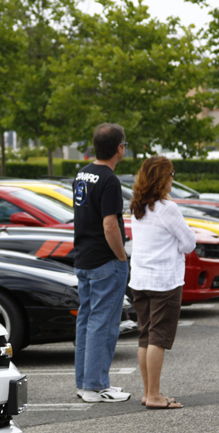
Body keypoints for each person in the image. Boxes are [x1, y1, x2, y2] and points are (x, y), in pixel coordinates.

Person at [129, 157, 195, 410]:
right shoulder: (168, 208)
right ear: (162, 178)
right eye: (171, 174)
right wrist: (176, 245)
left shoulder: (137, 206)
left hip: (140, 279)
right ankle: (155, 396)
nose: (172, 179)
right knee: (158, 338)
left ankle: (148, 392)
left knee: (145, 336)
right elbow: (189, 242)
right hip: (164, 281)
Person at [72, 123, 131, 403]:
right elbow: (110, 225)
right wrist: (121, 255)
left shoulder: (82, 174)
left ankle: (85, 383)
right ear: (119, 148)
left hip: (84, 257)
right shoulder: (109, 180)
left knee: (86, 322)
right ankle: (95, 386)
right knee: (103, 324)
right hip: (105, 261)